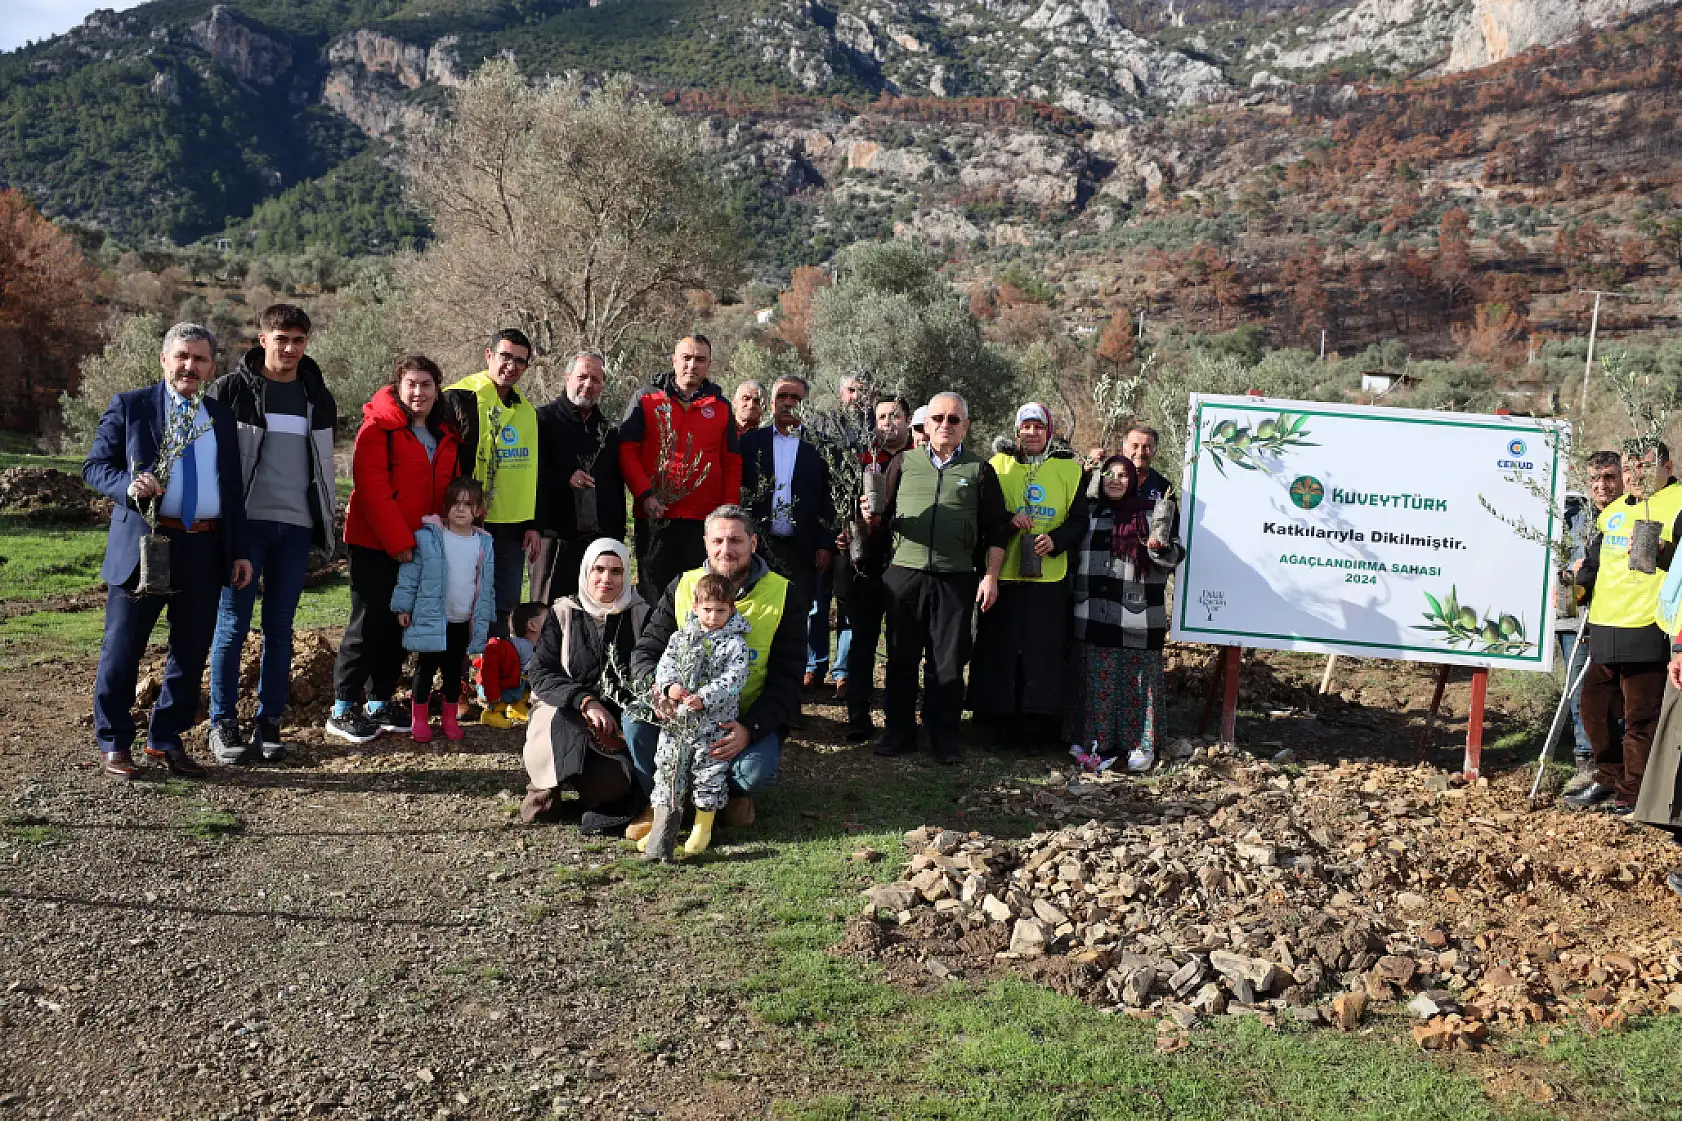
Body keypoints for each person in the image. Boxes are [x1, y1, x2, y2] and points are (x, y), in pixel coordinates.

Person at [83, 322, 252, 780]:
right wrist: (129, 486)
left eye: (199, 359)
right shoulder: (132, 406)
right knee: (122, 649)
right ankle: (115, 743)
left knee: (190, 651)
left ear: (212, 368)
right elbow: (95, 467)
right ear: (164, 359)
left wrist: (238, 550)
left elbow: (231, 490)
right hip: (144, 546)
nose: (189, 366)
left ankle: (165, 740)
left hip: (206, 546)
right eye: (181, 356)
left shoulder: (220, 416)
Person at [203, 303, 339, 765]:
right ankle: (223, 724)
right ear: (262, 339)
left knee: (280, 628)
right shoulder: (231, 391)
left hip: (295, 528)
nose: (290, 348)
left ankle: (270, 726)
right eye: (281, 338)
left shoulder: (317, 395)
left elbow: (322, 467)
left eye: (298, 340)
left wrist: (326, 524)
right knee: (233, 626)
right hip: (244, 528)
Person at [623, 506, 804, 837]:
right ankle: (660, 799)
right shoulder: (682, 586)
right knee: (634, 721)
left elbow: (788, 680)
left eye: (735, 540)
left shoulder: (783, 594)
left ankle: (730, 796)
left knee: (755, 772)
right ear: (705, 543)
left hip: (738, 717)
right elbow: (645, 652)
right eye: (717, 540)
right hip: (680, 716)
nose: (726, 550)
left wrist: (750, 729)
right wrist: (661, 690)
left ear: (753, 542)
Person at [862, 392, 1013, 764]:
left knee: (947, 662)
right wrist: (869, 519)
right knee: (900, 658)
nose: (945, 425)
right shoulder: (904, 462)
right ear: (925, 425)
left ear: (966, 426)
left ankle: (943, 737)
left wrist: (991, 576)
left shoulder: (980, 470)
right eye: (938, 418)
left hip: (956, 578)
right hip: (905, 575)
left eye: (954, 419)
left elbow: (997, 530)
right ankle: (898, 734)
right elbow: (880, 521)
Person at [329, 356, 462, 745]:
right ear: (398, 387)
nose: (418, 392)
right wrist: (399, 543)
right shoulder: (378, 429)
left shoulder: (445, 433)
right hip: (375, 544)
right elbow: (373, 491)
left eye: (426, 384)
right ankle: (343, 705)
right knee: (368, 622)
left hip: (422, 547)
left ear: (438, 389)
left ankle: (380, 699)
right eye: (411, 384)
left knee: (397, 624)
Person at [966, 403, 1089, 749]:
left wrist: (1056, 541)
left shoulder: (1069, 470)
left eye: (1038, 427)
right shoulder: (996, 465)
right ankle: (997, 727)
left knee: (1041, 654)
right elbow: (985, 511)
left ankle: (1037, 731)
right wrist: (1009, 518)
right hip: (1003, 574)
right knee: (1000, 651)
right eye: (1026, 427)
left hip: (1047, 579)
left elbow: (1080, 520)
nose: (1031, 433)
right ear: (1017, 431)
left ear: (1049, 432)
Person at [1569, 442, 1682, 814]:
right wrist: (1577, 580)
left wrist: (1664, 551)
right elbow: (1597, 563)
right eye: (1630, 469)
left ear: (1667, 466)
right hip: (1604, 624)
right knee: (1594, 709)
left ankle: (1634, 792)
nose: (1635, 476)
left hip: (1648, 625)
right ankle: (1608, 778)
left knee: (1640, 717)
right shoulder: (1614, 511)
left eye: (1644, 468)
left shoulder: (1677, 503)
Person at [1064, 455, 1183, 772]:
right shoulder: (1088, 512)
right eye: (1109, 475)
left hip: (1137, 617)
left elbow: (1175, 554)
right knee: (1095, 682)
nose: (1115, 480)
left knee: (1136, 686)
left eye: (1122, 475)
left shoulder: (1150, 512)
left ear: (1133, 480)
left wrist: (1158, 548)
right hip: (1092, 614)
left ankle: (1139, 747)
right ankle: (1095, 744)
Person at [522, 539, 650, 830]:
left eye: (616, 571)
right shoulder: (563, 612)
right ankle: (544, 793)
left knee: (612, 789)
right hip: (566, 707)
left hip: (614, 720)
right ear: (586, 572)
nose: (606, 579)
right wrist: (584, 701)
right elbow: (542, 673)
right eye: (599, 569)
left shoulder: (641, 614)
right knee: (554, 723)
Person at [638, 573, 754, 861]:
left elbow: (734, 680)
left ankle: (704, 825)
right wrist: (670, 687)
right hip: (678, 722)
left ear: (732, 609)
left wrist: (705, 697)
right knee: (668, 768)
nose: (713, 617)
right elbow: (665, 665)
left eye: (720, 611)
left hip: (715, 723)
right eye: (707, 610)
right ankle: (662, 829)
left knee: (709, 771)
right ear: (695, 607)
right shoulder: (681, 638)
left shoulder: (735, 644)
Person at [619, 335, 744, 602]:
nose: (692, 365)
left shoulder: (720, 407)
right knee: (654, 598)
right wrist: (645, 495)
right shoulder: (646, 399)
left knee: (700, 598)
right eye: (686, 358)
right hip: (655, 516)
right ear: (674, 360)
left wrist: (727, 515)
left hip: (703, 522)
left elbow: (731, 462)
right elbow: (628, 452)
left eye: (700, 359)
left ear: (709, 364)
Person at [443, 328, 541, 641]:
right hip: (466, 522)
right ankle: (456, 676)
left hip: (511, 527)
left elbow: (528, 470)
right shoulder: (459, 397)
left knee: (504, 606)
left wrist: (531, 522)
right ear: (489, 355)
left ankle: (491, 677)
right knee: (462, 602)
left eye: (520, 361)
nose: (511, 365)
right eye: (505, 356)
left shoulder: (525, 409)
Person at [393, 478, 499, 743]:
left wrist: (486, 615)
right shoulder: (429, 538)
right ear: (446, 507)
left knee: (453, 672)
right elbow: (410, 575)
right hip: (431, 618)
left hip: (462, 620)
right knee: (425, 669)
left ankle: (449, 720)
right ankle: (420, 720)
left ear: (478, 511)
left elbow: (486, 585)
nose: (460, 509)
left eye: (468, 504)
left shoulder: (484, 544)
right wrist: (403, 607)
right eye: (455, 503)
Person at [839, 394, 911, 741]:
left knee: (901, 644)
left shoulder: (919, 459)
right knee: (862, 640)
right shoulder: (859, 459)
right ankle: (857, 714)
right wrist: (845, 529)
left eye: (895, 416)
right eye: (881, 416)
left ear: (908, 420)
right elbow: (840, 503)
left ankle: (900, 718)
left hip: (903, 565)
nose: (888, 423)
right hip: (863, 564)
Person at [530, 352, 624, 605]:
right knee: (547, 612)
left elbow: (615, 485)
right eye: (582, 376)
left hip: (596, 540)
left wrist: (616, 534)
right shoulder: (541, 420)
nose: (588, 385)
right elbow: (530, 475)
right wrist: (565, 479)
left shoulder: (607, 430)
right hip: (554, 538)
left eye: (596, 379)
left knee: (591, 612)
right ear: (567, 377)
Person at [740, 374, 834, 619]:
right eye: (782, 396)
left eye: (795, 397)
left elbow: (828, 498)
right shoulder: (750, 443)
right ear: (771, 403)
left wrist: (825, 543)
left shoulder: (821, 447)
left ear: (805, 404)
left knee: (797, 613)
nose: (788, 402)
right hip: (759, 545)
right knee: (756, 611)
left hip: (803, 548)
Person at [1559, 452, 1625, 795]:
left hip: (1620, 618)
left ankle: (1619, 769)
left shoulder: (1630, 514)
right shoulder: (1573, 516)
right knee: (1578, 692)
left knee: (1618, 695)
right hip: (1576, 618)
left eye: (1609, 477)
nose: (1602, 485)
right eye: (1595, 478)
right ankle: (1586, 764)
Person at [803, 375, 867, 693]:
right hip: (822, 529)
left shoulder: (874, 432)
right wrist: (825, 535)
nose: (857, 397)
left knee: (848, 604)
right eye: (852, 390)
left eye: (863, 392)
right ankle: (814, 665)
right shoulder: (820, 426)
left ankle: (843, 670)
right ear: (841, 393)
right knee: (816, 603)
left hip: (858, 532)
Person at [476, 602, 550, 728]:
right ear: (532, 626)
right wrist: (492, 693)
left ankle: (515, 707)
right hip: (499, 685)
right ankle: (491, 713)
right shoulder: (513, 646)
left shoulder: (539, 646)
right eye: (548, 619)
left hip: (517, 683)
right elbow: (491, 669)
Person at [1122, 425, 1174, 508]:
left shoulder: (1163, 487)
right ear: (1124, 450)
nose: (1140, 452)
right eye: (1135, 446)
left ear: (1154, 451)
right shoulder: (1109, 481)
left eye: (1146, 447)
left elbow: (1172, 519)